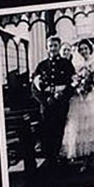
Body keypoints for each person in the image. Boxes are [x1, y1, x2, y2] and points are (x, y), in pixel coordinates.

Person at [60, 39, 94, 159]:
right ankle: (83, 157)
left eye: (85, 48)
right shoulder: (76, 65)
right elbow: (73, 81)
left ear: (90, 50)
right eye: (81, 49)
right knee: (79, 126)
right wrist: (78, 87)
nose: (83, 51)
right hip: (79, 98)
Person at [31, 35, 75, 163]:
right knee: (47, 130)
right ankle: (50, 158)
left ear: (59, 47)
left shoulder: (66, 64)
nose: (53, 48)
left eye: (55, 46)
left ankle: (57, 155)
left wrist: (63, 96)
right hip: (46, 105)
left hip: (61, 104)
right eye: (50, 46)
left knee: (59, 130)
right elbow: (34, 88)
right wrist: (45, 100)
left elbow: (73, 84)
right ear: (46, 48)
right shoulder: (41, 66)